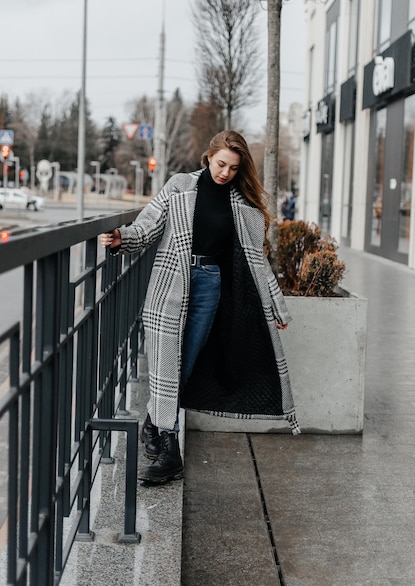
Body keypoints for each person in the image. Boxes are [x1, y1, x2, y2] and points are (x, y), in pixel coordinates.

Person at [101, 130, 300, 485]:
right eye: (221, 163)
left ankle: (155, 427)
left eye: (233, 168)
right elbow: (148, 226)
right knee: (166, 365)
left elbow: (258, 263)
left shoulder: (243, 206)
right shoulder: (179, 186)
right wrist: (122, 238)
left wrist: (277, 309)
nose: (225, 172)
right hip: (170, 284)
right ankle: (168, 448)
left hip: (210, 284)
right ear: (208, 158)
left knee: (185, 363)